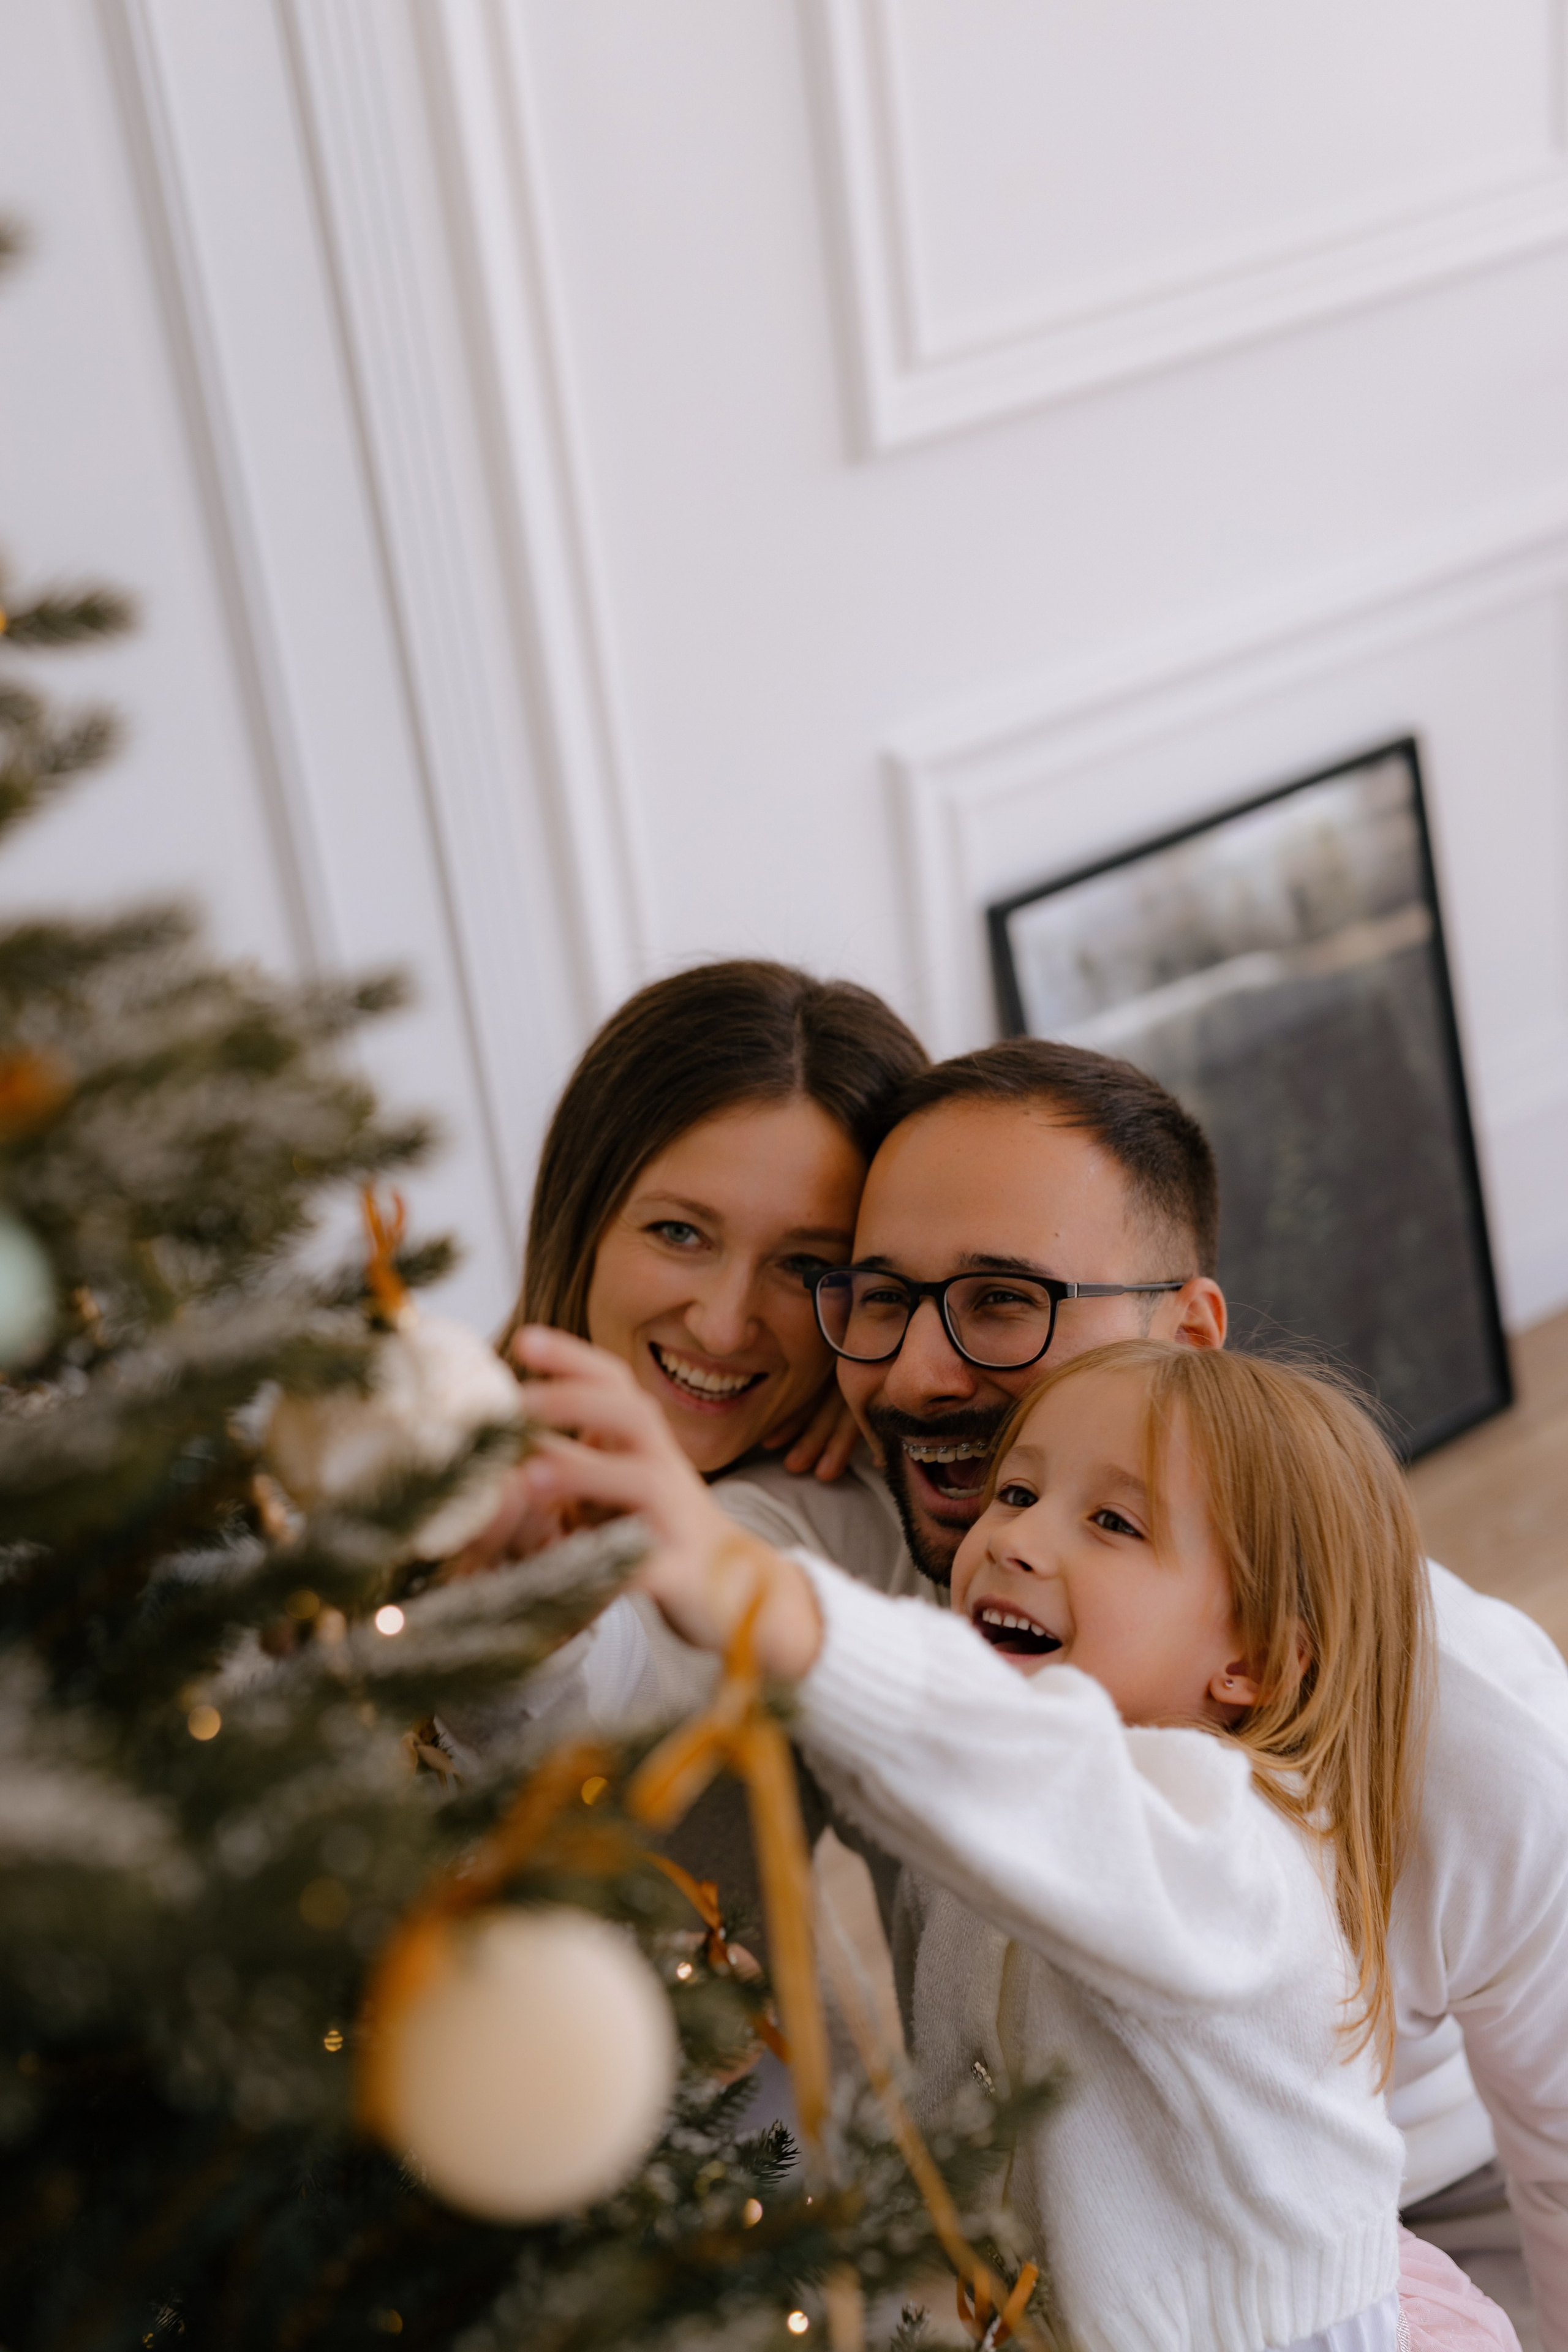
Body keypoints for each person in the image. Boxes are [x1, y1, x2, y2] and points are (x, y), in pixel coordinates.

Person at [525, 1037, 1568, 2348]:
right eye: (879, 1298)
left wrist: (775, 1614)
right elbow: (619, 1667)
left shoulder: (1441, 1736)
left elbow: (1059, 1787)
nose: (914, 1374)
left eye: (1002, 1301)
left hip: (1404, 2231)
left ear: (1183, 1333)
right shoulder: (931, 1535)